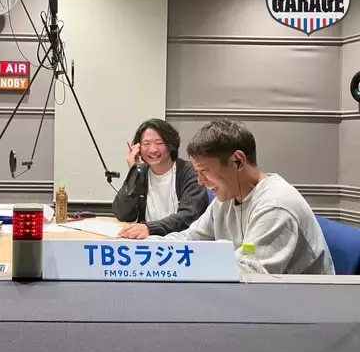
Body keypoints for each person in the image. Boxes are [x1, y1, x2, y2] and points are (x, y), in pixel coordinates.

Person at [160, 118, 334, 275]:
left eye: (204, 170)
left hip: (299, 298)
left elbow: (249, 272)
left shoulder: (275, 206)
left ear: (238, 160)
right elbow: (190, 239)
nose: (200, 181)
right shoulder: (226, 197)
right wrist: (149, 247)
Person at [114, 118, 209, 239]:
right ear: (138, 148)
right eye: (146, 144)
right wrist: (133, 172)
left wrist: (150, 228)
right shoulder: (140, 173)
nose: (153, 150)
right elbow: (122, 214)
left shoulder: (190, 172)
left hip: (183, 242)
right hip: (147, 242)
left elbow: (188, 216)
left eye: (159, 143)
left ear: (170, 146)